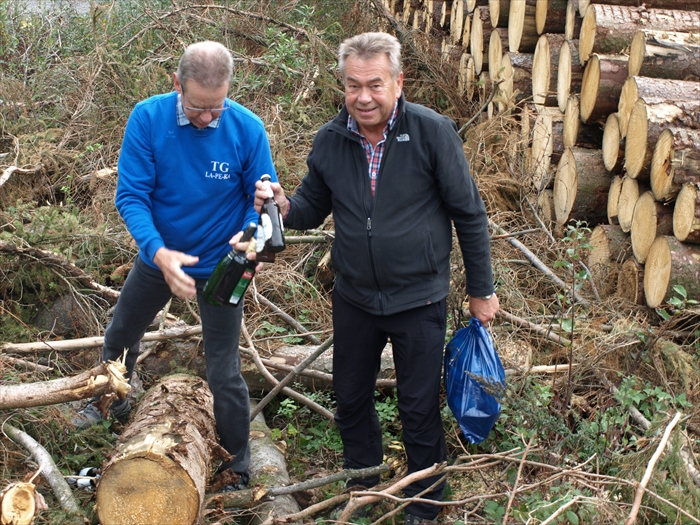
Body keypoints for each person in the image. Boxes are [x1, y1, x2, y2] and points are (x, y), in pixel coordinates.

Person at [254, 32, 499, 525]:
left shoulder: (432, 132)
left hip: (420, 296)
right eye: (353, 85)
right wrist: (283, 205)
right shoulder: (331, 141)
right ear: (342, 85)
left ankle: (426, 499)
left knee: (416, 403)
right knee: (350, 396)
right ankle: (363, 484)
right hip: (355, 297)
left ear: (397, 82)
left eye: (374, 84)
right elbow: (309, 208)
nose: (363, 97)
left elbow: (469, 214)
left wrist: (481, 290)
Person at [73, 41, 278, 491]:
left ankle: (237, 466)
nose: (207, 118)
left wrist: (248, 235)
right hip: (159, 255)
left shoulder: (247, 128)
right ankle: (110, 402)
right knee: (121, 332)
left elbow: (260, 197)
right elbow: (130, 195)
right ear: (176, 85)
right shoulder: (148, 119)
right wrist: (158, 252)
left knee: (224, 368)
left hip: (223, 265)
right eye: (198, 108)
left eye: (216, 108)